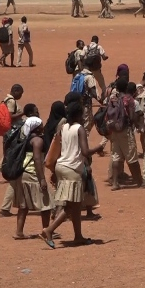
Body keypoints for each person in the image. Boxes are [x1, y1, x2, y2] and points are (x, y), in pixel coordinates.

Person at [40, 102, 104, 249]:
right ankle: (49, 230)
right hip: (72, 169)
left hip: (61, 166)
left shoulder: (64, 127)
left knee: (74, 205)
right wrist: (99, 148)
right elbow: (85, 152)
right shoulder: (79, 129)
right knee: (71, 206)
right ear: (78, 114)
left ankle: (78, 236)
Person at [12, 117, 54, 239]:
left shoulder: (25, 139)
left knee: (23, 205)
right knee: (46, 203)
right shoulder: (37, 141)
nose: (43, 126)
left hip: (22, 173)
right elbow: (36, 159)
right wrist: (42, 179)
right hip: (32, 174)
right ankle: (46, 230)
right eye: (41, 125)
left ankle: (19, 232)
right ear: (36, 127)